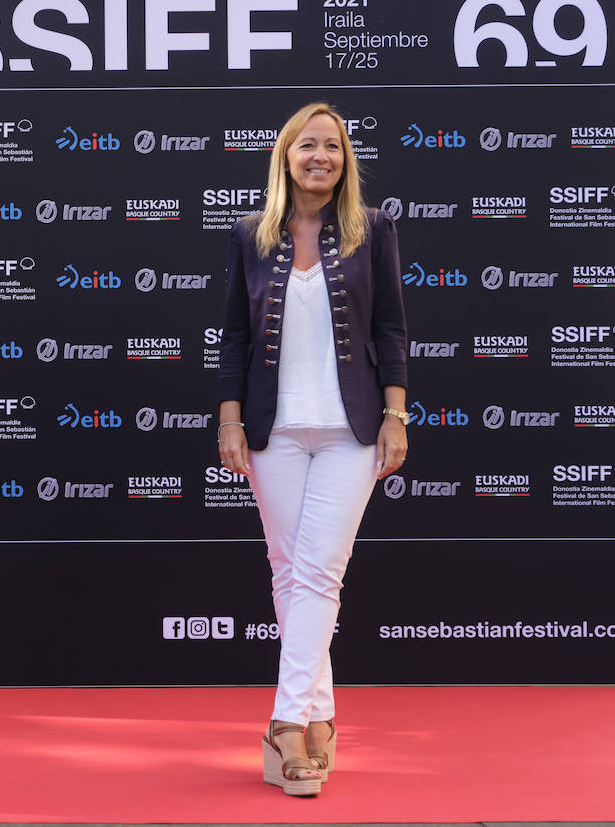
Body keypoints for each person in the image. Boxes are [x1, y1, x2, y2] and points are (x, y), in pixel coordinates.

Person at [216, 102, 408, 797]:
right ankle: (322, 714)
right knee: (288, 568)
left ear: (345, 159)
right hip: (274, 432)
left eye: (332, 146)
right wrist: (230, 422)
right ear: (286, 157)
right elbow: (234, 336)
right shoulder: (249, 234)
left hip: (351, 431)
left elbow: (390, 329)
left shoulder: (372, 229)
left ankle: (286, 724)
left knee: (319, 571)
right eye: (308, 146)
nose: (320, 156)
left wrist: (396, 414)